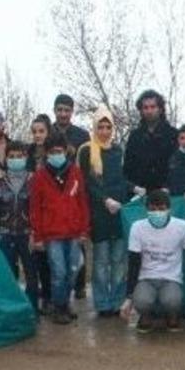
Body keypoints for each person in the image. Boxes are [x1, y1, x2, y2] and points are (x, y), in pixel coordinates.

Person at [29, 131, 90, 324]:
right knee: (58, 272)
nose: (57, 154)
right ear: (47, 153)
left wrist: (85, 229)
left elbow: (82, 202)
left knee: (73, 271)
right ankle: (59, 306)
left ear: (66, 151)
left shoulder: (75, 172)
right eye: (53, 151)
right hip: (51, 233)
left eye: (60, 151)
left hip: (73, 231)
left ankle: (65, 302)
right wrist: (37, 236)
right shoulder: (39, 176)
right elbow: (35, 208)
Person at [77, 105, 130, 317]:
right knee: (100, 262)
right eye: (101, 126)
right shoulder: (86, 150)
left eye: (108, 126)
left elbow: (121, 179)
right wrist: (104, 199)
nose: (105, 131)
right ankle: (102, 303)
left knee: (118, 261)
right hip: (99, 214)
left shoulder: (117, 150)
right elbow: (86, 182)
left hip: (119, 213)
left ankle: (117, 301)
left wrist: (133, 188)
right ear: (94, 127)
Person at [121, 190, 185, 333]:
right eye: (152, 209)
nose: (157, 213)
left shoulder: (182, 226)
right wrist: (129, 297)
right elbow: (134, 262)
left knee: (172, 301)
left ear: (169, 209)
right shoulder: (137, 227)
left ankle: (172, 317)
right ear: (146, 210)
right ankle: (145, 316)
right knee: (142, 301)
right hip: (146, 278)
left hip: (171, 279)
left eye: (161, 209)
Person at [0, 141, 39, 312]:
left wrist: (36, 233)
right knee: (8, 274)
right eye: (12, 157)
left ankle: (32, 308)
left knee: (32, 274)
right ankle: (10, 307)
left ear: (26, 158)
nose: (16, 159)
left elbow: (38, 209)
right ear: (6, 158)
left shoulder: (33, 179)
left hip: (27, 234)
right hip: (5, 234)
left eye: (20, 156)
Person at [123, 89, 178, 193]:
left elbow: (178, 166)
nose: (149, 111)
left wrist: (169, 186)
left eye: (153, 107)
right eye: (145, 107)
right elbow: (128, 168)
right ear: (141, 110)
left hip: (167, 193)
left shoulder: (173, 134)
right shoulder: (134, 136)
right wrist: (133, 187)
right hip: (140, 193)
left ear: (160, 109)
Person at [26, 114, 53, 310]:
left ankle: (52, 296)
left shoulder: (56, 154)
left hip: (52, 210)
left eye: (41, 131)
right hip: (31, 208)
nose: (37, 135)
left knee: (52, 258)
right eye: (34, 132)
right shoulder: (26, 154)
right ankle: (38, 295)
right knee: (37, 255)